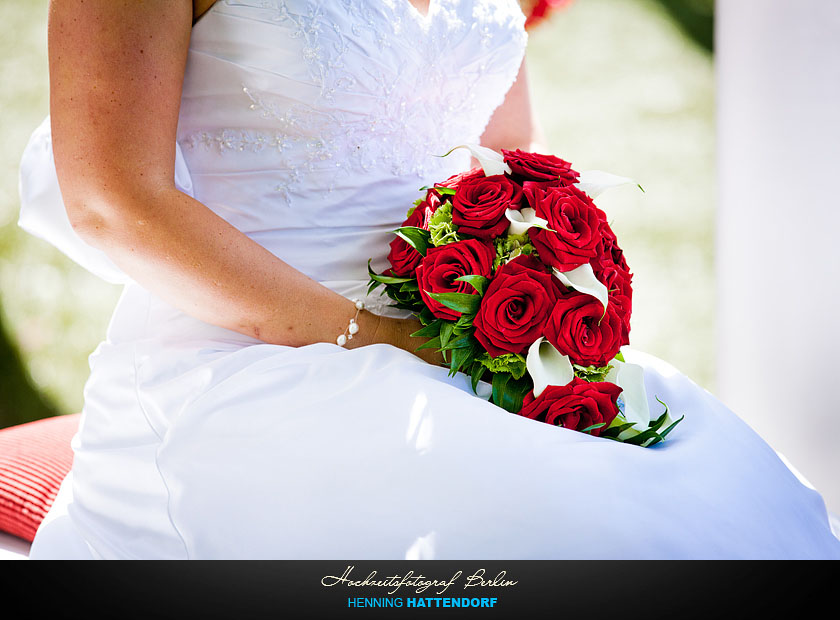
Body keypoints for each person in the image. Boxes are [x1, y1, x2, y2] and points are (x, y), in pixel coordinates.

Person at [22, 0, 840, 559]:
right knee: (570, 530)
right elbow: (114, 202)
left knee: (728, 493)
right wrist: (378, 337)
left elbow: (506, 154)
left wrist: (545, 299)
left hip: (465, 341)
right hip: (239, 351)